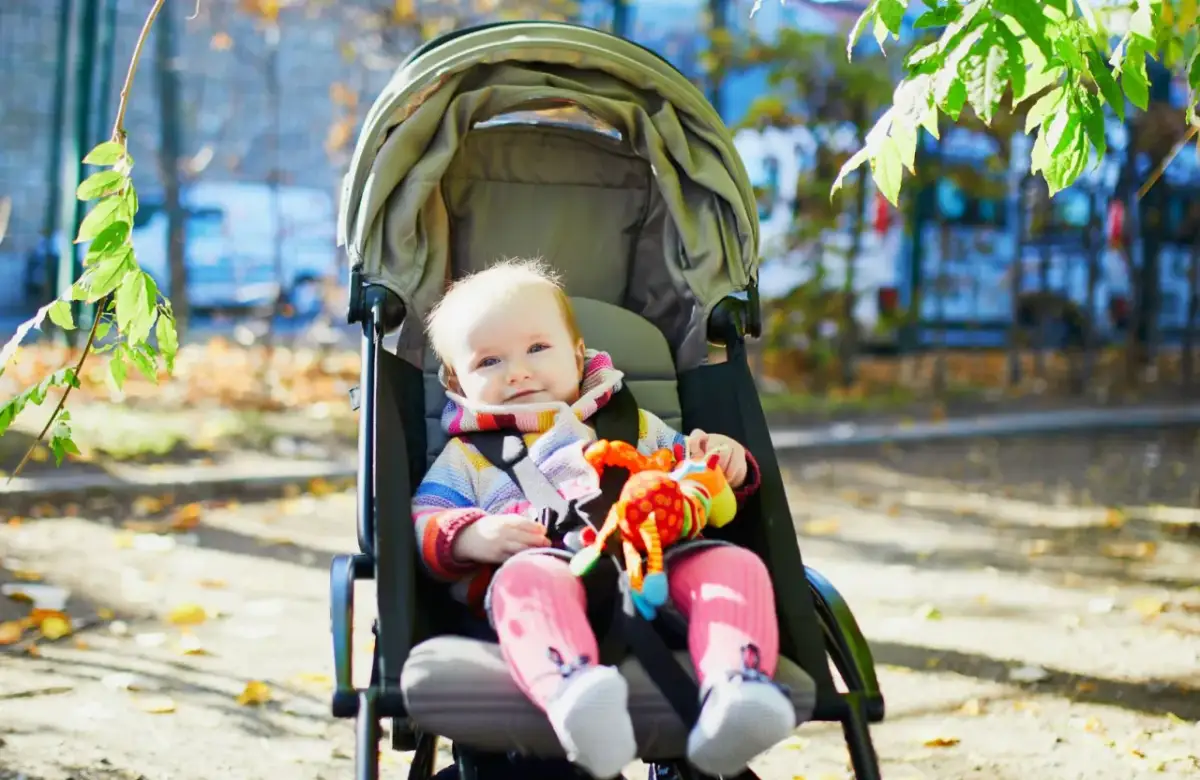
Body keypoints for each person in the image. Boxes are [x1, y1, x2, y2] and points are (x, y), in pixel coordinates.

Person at [412, 259, 794, 779]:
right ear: (457, 381)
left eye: (537, 348)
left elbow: (696, 480)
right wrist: (470, 535)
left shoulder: (635, 424)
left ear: (577, 354)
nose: (517, 371)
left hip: (656, 570)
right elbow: (425, 519)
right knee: (523, 581)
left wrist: (725, 462)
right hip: (550, 567)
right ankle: (574, 693)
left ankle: (736, 688)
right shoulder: (467, 457)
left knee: (733, 565)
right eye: (490, 361)